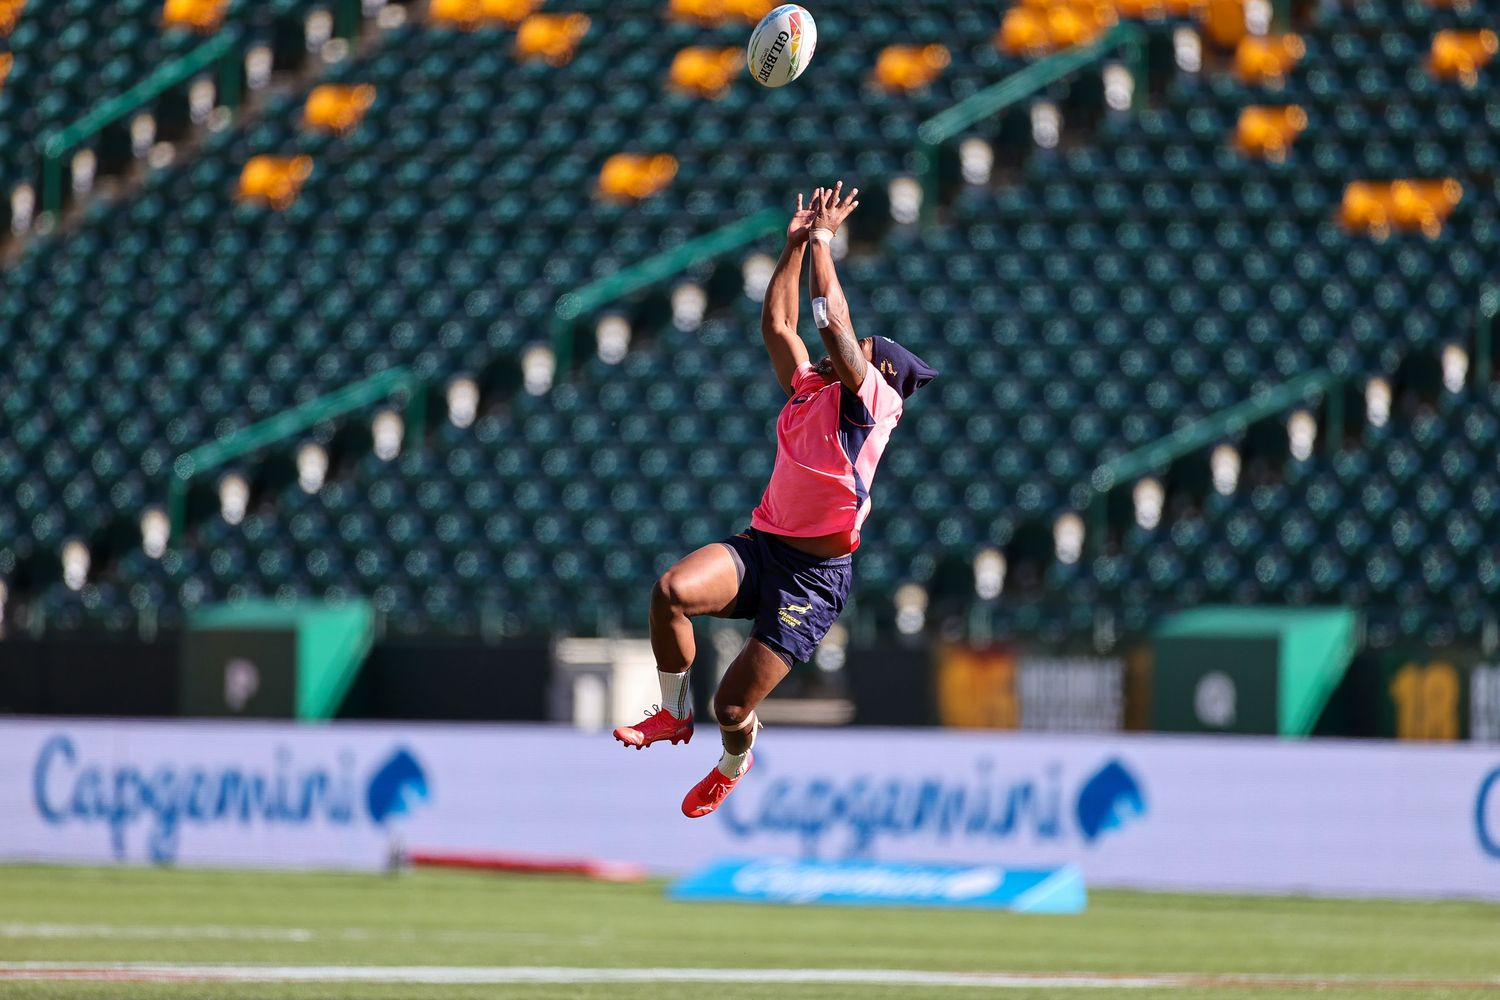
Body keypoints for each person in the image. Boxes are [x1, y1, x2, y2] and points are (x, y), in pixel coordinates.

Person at [613, 182, 937, 817]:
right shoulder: (811, 387)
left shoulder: (873, 404)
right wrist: (792, 247)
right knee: (670, 592)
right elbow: (778, 322)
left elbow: (830, 320)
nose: (856, 348)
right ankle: (672, 717)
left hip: (812, 581)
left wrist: (822, 243)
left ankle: (735, 757)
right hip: (763, 548)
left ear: (880, 373)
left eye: (867, 352)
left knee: (731, 709)